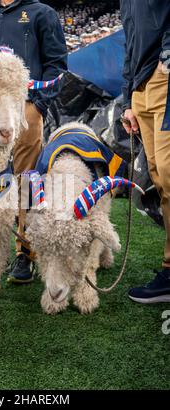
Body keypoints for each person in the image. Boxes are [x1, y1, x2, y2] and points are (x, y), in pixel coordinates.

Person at [0, 0, 68, 283]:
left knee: (25, 180)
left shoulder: (42, 13)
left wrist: (37, 104)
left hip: (24, 108)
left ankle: (25, 253)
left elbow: (57, 66)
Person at [121, 0, 170, 303]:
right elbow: (130, 45)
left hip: (164, 77)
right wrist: (128, 100)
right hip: (142, 87)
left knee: (169, 171)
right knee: (160, 178)